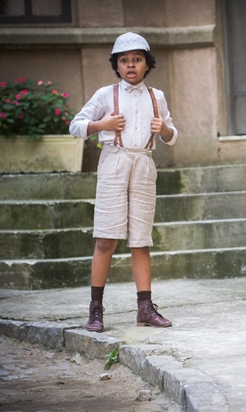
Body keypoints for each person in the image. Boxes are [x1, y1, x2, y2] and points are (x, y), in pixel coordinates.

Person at [69, 32, 178, 332]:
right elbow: (75, 125)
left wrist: (164, 129)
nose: (131, 65)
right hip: (114, 162)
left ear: (147, 64)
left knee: (141, 238)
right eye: (124, 60)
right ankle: (95, 310)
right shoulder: (106, 95)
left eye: (137, 60)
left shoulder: (156, 96)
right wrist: (101, 125)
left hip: (144, 162)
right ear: (116, 65)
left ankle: (145, 308)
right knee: (106, 237)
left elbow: (171, 135)